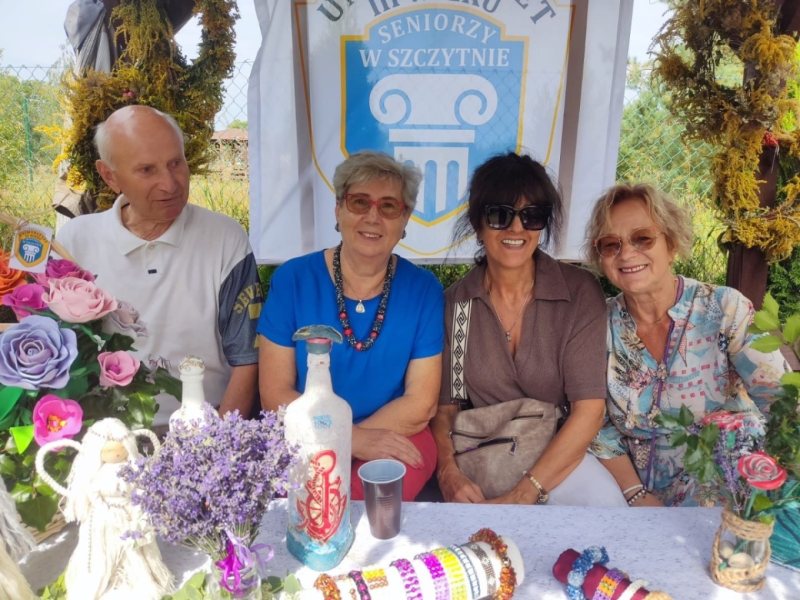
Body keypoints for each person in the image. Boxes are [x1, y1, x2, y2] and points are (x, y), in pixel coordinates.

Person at [432, 152, 626, 506]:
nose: (516, 228)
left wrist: (523, 494)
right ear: (478, 223)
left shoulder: (576, 293)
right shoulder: (458, 305)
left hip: (559, 456)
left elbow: (588, 411)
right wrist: (449, 474)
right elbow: (448, 410)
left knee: (607, 514)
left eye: (532, 215)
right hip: (486, 456)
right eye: (500, 215)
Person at [584, 183, 790, 506]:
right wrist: (636, 494)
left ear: (671, 243)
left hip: (733, 492)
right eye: (611, 244)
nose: (626, 253)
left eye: (642, 238)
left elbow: (782, 402)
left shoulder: (723, 308)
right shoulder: (598, 327)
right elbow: (596, 424)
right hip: (644, 499)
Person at [56, 105, 262, 424]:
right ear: (109, 176)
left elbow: (247, 358)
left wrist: (218, 440)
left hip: (209, 423)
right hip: (108, 431)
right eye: (147, 170)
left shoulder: (225, 238)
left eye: (176, 163)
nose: (170, 184)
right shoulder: (75, 242)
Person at [258, 151, 443, 501]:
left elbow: (421, 402)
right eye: (359, 202)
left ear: (405, 219)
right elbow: (275, 395)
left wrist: (354, 441)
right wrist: (350, 439)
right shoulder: (293, 280)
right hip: (304, 436)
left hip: (394, 435)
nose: (373, 216)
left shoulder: (423, 290)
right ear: (338, 210)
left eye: (389, 206)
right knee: (313, 504)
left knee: (361, 501)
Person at [37, 418, 172, 600]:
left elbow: (141, 489)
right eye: (108, 450)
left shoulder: (135, 467)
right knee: (100, 553)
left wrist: (140, 509)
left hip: (129, 512)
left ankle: (140, 576)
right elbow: (93, 494)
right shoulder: (96, 474)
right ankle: (101, 578)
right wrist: (107, 511)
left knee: (134, 550)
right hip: (104, 520)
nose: (116, 453)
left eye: (121, 448)